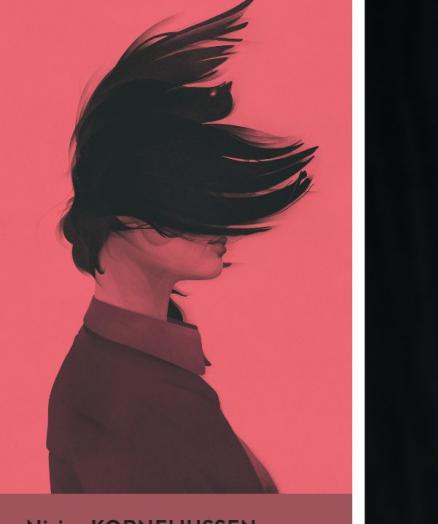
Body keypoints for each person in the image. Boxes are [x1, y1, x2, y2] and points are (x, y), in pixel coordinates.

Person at [46, 0, 315, 493]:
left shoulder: (124, 367)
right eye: (195, 201)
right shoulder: (140, 395)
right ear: (129, 217)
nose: (223, 225)